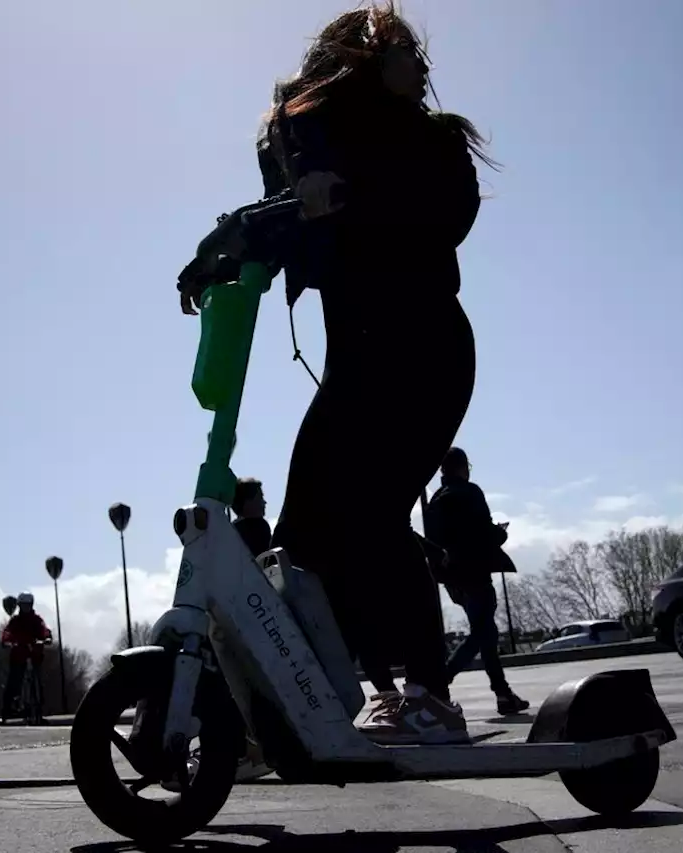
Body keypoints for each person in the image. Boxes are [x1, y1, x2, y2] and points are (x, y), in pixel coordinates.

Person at [206, 3, 491, 745]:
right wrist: (221, 248)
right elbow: (278, 213)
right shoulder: (316, 137)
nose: (419, 67)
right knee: (301, 534)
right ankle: (315, 689)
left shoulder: (425, 144)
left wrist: (347, 196)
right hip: (359, 357)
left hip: (423, 347)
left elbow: (447, 209)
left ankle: (430, 695)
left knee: (370, 511)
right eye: (403, 53)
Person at [425, 447, 529, 715]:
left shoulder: (436, 500)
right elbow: (483, 533)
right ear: (463, 467)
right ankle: (439, 681)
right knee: (483, 634)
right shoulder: (470, 492)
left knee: (486, 633)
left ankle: (503, 695)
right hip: (476, 572)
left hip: (453, 579)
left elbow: (435, 543)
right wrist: (500, 535)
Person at [0, 592, 53, 723]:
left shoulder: (36, 620)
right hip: (18, 655)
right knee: (13, 682)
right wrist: (7, 641)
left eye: (28, 605)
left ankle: (39, 711)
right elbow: (7, 632)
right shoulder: (15, 621)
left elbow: (44, 629)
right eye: (23, 605)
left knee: (38, 681)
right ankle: (5, 712)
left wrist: (46, 638)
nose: (26, 608)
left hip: (35, 655)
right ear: (19, 606)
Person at [232, 477, 273, 558]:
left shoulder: (231, 529)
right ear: (247, 502)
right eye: (260, 497)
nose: (264, 502)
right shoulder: (260, 526)